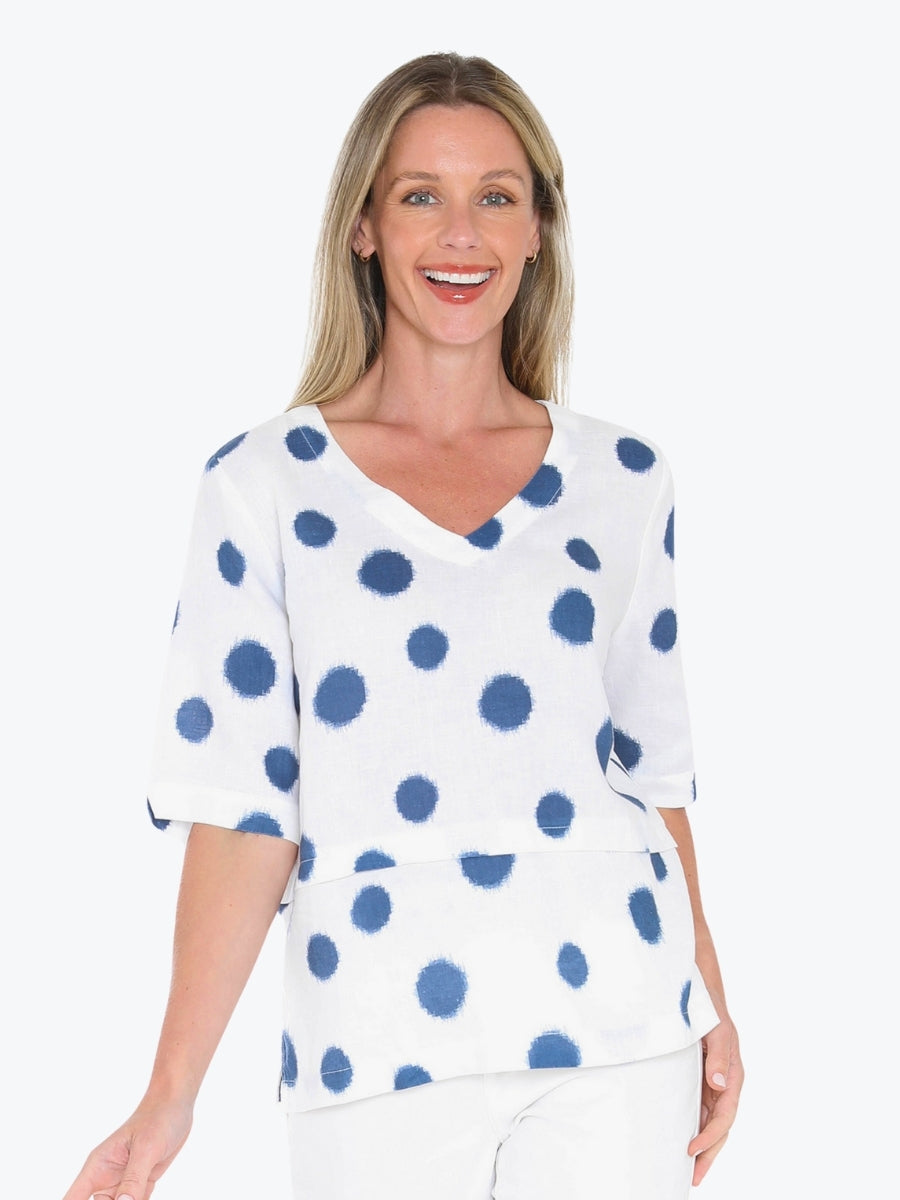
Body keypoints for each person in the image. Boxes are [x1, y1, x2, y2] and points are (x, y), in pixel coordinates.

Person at [64, 51, 742, 1200]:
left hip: (623, 1033)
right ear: (364, 228)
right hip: (375, 1040)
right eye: (421, 195)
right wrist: (169, 1093)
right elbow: (245, 809)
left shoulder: (626, 478)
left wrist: (709, 999)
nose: (462, 234)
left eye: (497, 196)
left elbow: (651, 775)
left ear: (538, 231)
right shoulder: (263, 485)